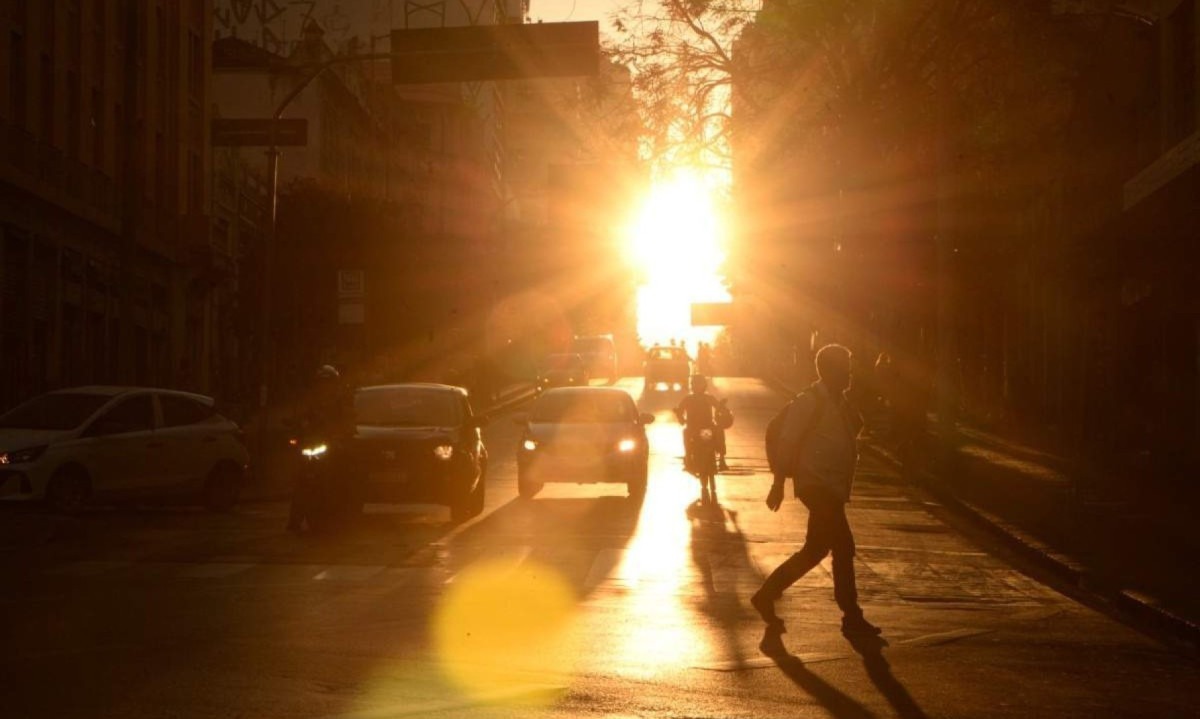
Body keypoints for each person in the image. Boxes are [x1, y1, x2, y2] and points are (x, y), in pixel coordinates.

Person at [751, 344, 881, 652]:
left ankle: (766, 594)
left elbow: (856, 429)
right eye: (845, 367)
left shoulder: (838, 402)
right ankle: (851, 615)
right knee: (844, 546)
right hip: (817, 485)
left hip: (832, 486)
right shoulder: (809, 402)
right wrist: (778, 482)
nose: (850, 373)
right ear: (830, 370)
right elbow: (786, 441)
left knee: (816, 549)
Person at [287, 364, 355, 533]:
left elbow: (348, 421)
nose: (325, 386)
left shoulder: (341, 401)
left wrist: (341, 436)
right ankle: (294, 520)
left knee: (343, 472)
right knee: (300, 480)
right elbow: (299, 419)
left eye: (328, 382)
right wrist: (295, 435)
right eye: (322, 383)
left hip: (331, 446)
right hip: (310, 445)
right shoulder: (310, 401)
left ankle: (345, 512)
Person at [674, 375, 730, 501]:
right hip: (693, 430)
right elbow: (679, 411)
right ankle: (688, 457)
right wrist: (680, 416)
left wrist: (723, 410)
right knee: (685, 433)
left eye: (700, 384)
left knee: (719, 430)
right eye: (695, 384)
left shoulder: (709, 398)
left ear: (704, 385)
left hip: (707, 429)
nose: (697, 386)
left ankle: (721, 458)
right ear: (692, 386)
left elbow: (719, 408)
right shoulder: (687, 399)